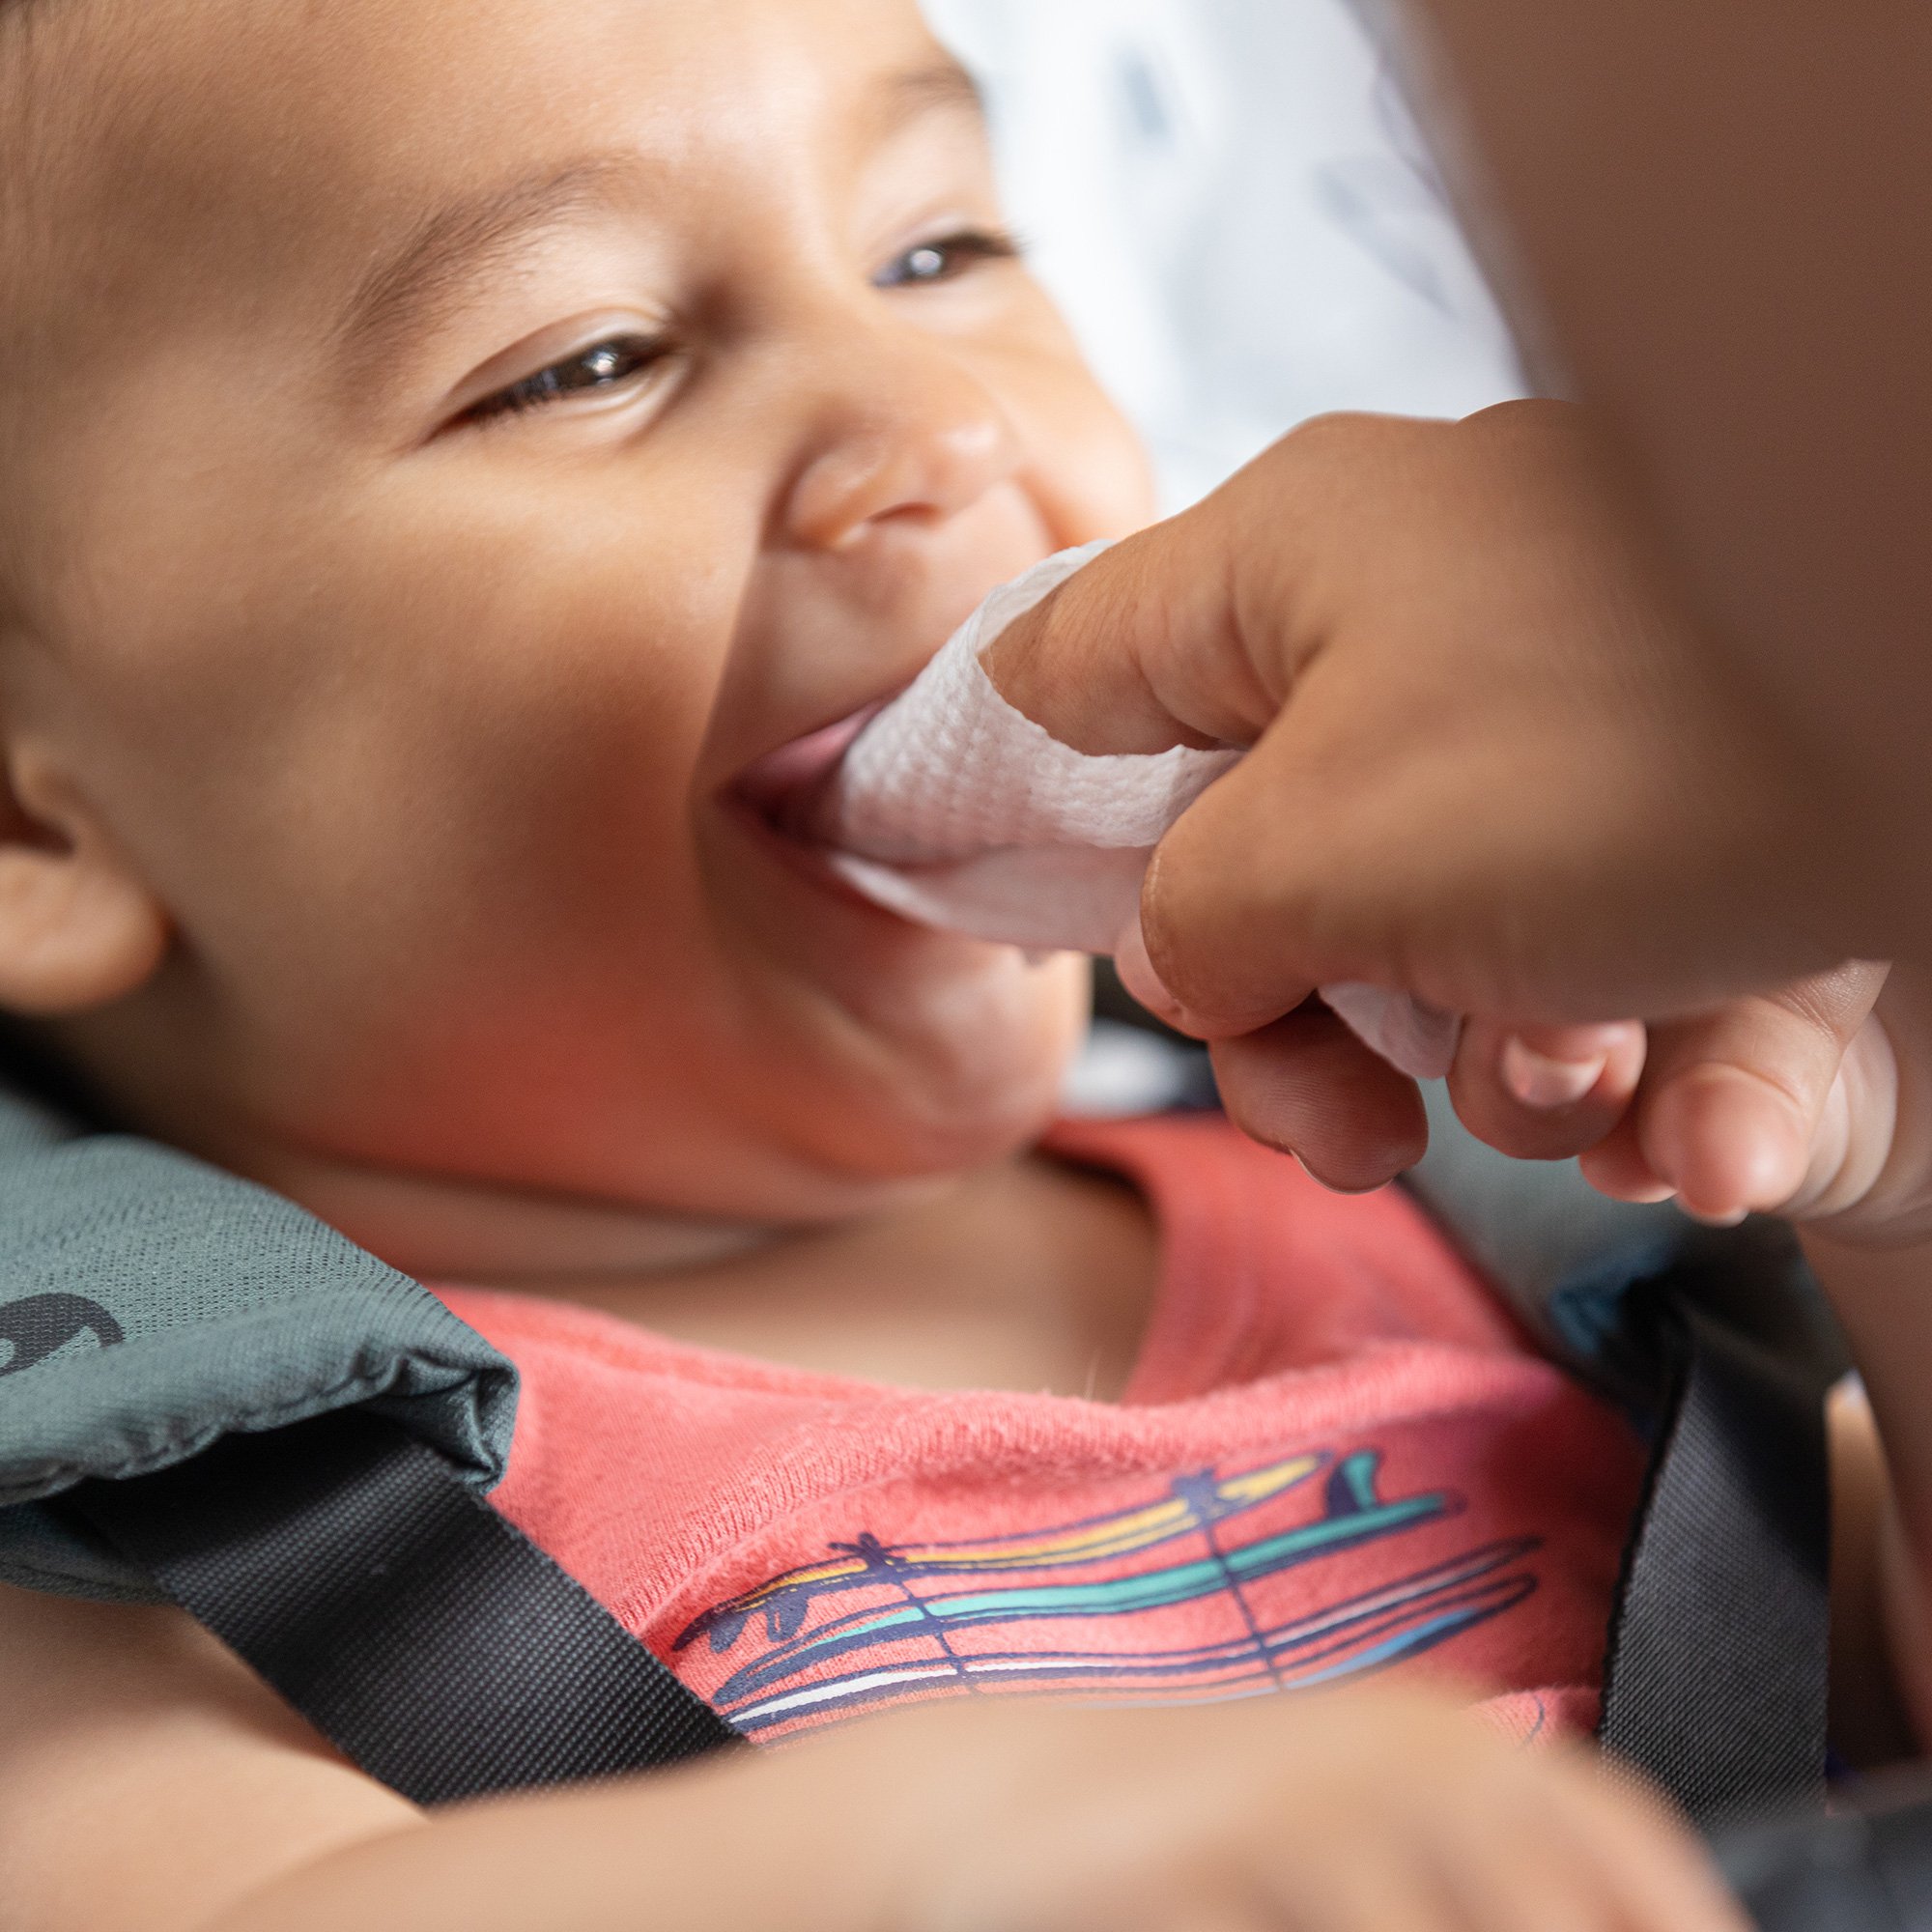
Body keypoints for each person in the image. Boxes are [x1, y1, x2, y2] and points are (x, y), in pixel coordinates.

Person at [0, 2, 1776, 1929]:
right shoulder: (161, 1561)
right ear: (33, 829)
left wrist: (1865, 1168)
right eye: (588, 360)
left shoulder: (1463, 1198)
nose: (943, 426)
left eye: (940, 251)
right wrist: (908, 1861)